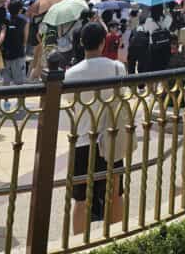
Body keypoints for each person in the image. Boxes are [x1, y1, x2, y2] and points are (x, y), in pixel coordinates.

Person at [64, 22, 127, 233]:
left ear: (82, 43)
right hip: (111, 137)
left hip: (84, 139)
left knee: (81, 199)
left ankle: (78, 244)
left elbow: (69, 102)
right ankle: (117, 240)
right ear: (103, 42)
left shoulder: (71, 73)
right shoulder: (117, 68)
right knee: (115, 194)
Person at [2, 1, 27, 86]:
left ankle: (5, 99)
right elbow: (25, 39)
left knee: (6, 79)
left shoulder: (5, 20)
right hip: (18, 52)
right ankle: (20, 99)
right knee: (19, 81)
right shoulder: (24, 21)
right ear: (20, 10)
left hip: (6, 52)